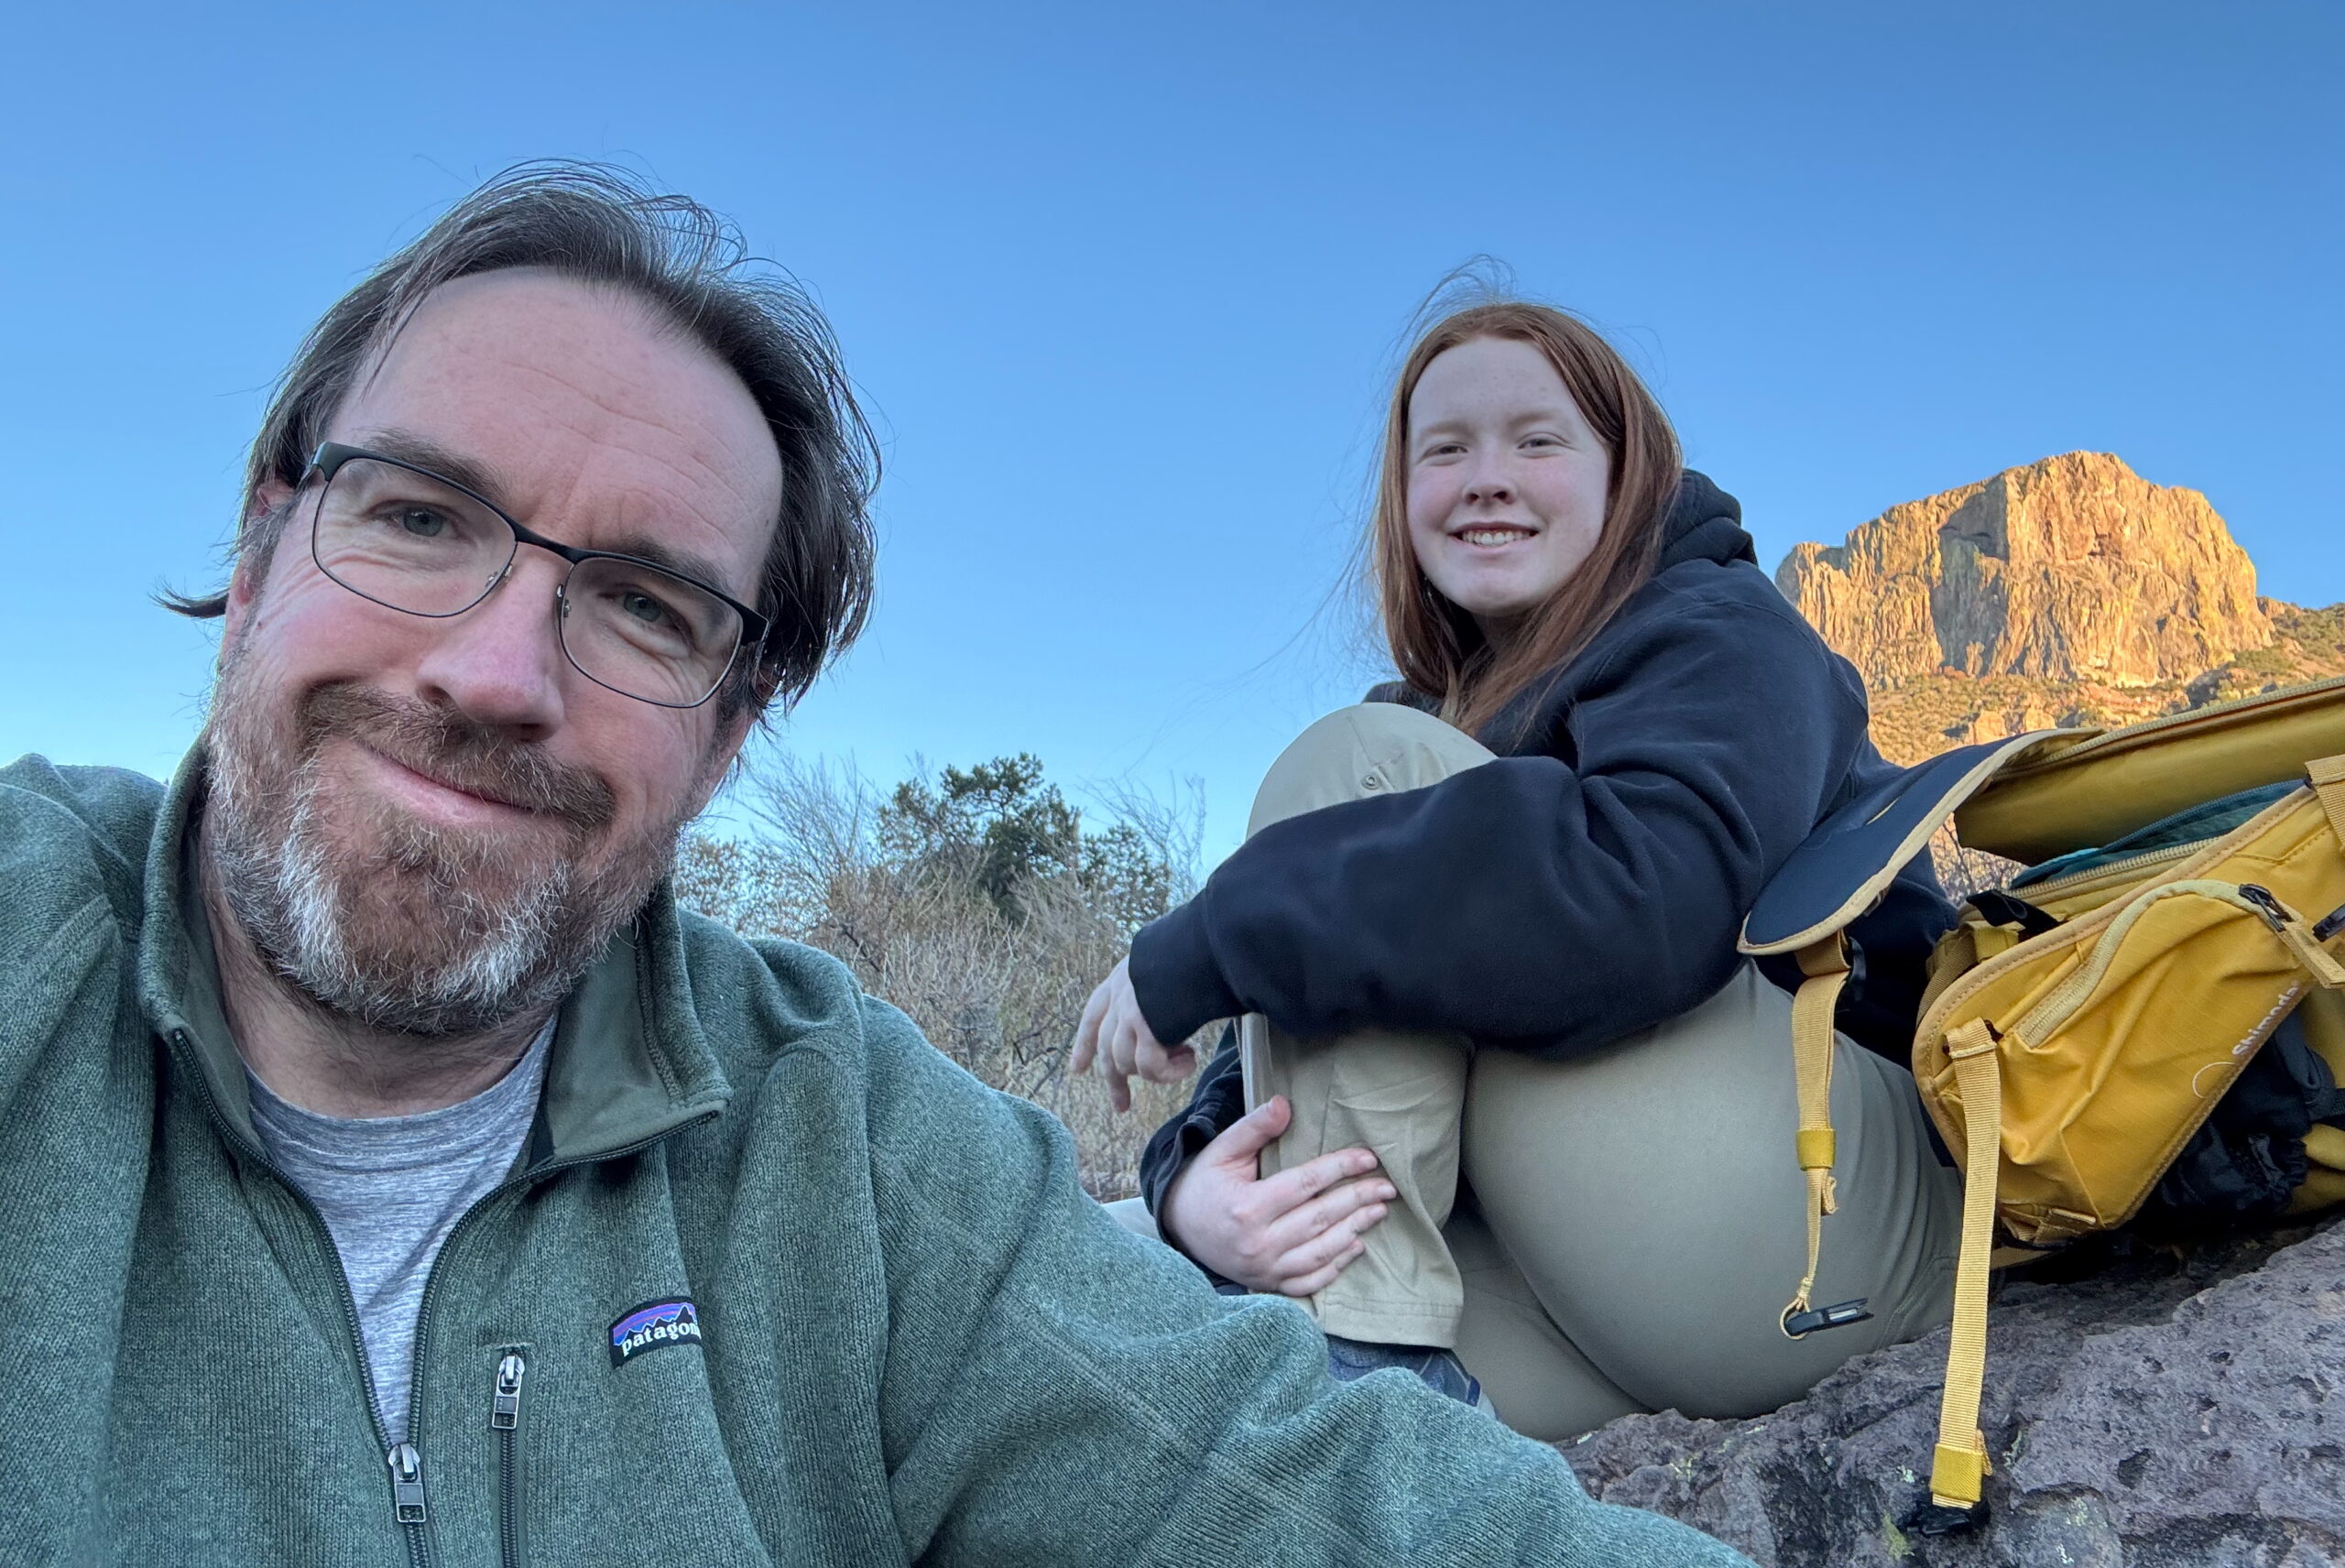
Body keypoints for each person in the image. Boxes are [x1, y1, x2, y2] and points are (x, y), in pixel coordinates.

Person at [0, 168, 1753, 1567]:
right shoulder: (33, 943)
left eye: (643, 606)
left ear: (735, 721)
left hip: (1759, 1192)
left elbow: (1337, 1504)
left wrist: (1192, 950)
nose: (495, 674)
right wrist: (1180, 1186)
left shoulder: (836, 1141)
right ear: (255, 538)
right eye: (415, 516)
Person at [1073, 298, 1962, 1443]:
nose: (1486, 479)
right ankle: (1369, 1397)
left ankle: (1360, 1368)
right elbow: (1291, 1034)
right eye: (1444, 450)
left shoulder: (1727, 634)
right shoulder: (1431, 720)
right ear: (1403, 500)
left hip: (1815, 1237)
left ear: (1622, 472)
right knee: (1103, 1285)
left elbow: (1640, 904)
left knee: (1370, 784)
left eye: (1537, 441)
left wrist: (1204, 940)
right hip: (1592, 1295)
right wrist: (1189, 1188)